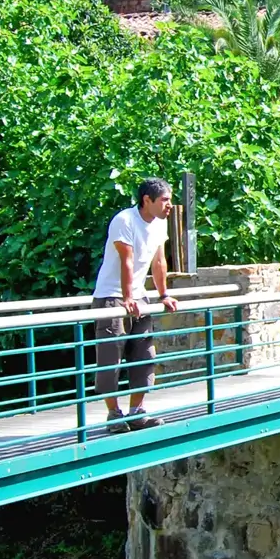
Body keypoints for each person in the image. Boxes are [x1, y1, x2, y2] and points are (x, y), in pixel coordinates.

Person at [92, 178, 181, 432]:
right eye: (165, 200)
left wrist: (164, 295)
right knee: (111, 358)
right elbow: (126, 261)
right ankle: (114, 415)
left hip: (139, 297)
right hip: (111, 297)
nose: (170, 205)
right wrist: (127, 297)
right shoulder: (125, 221)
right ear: (147, 200)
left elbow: (159, 262)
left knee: (144, 355)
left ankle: (136, 412)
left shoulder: (160, 224)